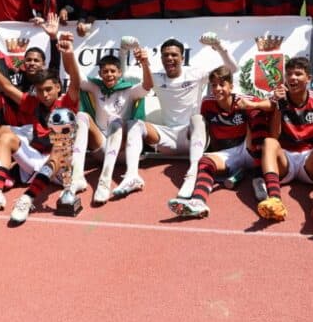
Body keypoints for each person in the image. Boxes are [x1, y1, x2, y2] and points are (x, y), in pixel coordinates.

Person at [0, 37, 80, 220]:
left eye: (49, 89)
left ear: (58, 87)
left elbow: (75, 80)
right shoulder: (32, 102)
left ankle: (27, 198)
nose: (45, 94)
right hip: (35, 160)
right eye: (41, 90)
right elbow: (6, 87)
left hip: (61, 168)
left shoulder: (66, 103)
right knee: (6, 138)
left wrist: (69, 54)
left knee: (60, 147)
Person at [124, 34, 238, 198]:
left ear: (182, 58)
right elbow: (124, 76)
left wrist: (219, 45)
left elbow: (231, 69)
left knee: (197, 119)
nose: (169, 58)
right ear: (161, 58)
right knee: (134, 124)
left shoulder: (196, 74)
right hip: (167, 139)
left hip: (192, 136)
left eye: (174, 55)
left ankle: (193, 174)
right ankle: (132, 176)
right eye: (166, 55)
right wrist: (127, 54)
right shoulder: (155, 77)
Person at [167, 66, 273, 218]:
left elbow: (271, 105)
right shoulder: (207, 103)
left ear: (231, 86)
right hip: (228, 153)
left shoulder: (243, 99)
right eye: (214, 85)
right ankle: (198, 201)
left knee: (257, 115)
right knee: (205, 162)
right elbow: (204, 128)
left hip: (249, 149)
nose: (217, 89)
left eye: (222, 84)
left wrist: (251, 106)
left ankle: (258, 177)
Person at [256, 57, 313, 227]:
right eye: (289, 74)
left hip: (308, 161)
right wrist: (279, 107)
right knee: (268, 142)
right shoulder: (280, 98)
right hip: (286, 160)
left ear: (308, 78)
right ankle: (274, 199)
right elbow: (274, 136)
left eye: (298, 74)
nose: (293, 78)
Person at [64, 40, 153, 204]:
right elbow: (75, 75)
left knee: (115, 120)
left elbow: (148, 85)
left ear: (120, 73)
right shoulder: (95, 86)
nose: (109, 74)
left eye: (113, 71)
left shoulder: (129, 90)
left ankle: (104, 181)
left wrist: (145, 64)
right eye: (105, 71)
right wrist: (69, 52)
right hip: (100, 148)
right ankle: (77, 177)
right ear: (100, 73)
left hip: (120, 152)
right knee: (81, 116)